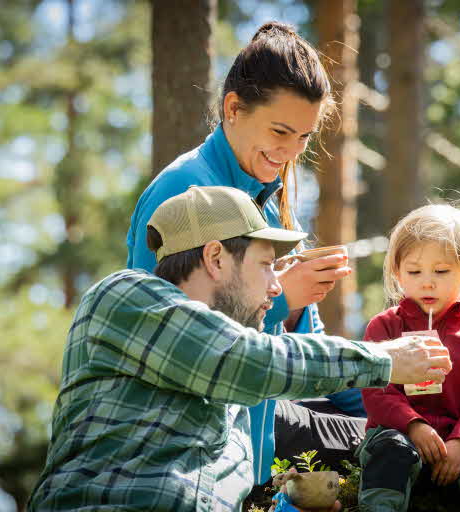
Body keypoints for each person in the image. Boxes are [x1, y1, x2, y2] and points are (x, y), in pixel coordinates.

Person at [28, 186, 452, 511]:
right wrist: (385, 358)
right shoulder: (123, 297)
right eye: (266, 265)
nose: (275, 286)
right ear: (215, 258)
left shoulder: (234, 403)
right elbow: (247, 360)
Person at [126, 21, 365, 484]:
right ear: (233, 108)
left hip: (254, 448)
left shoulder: (266, 201)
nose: (290, 151)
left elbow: (304, 353)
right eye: (280, 130)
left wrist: (386, 407)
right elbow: (170, 345)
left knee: (390, 448)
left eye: (304, 138)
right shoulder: (185, 191)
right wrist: (284, 301)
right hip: (192, 460)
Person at [357, 202, 460, 512]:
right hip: (401, 443)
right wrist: (413, 426)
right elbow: (377, 390)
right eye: (414, 271)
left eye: (441, 270)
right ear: (397, 273)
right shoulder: (385, 326)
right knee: (390, 447)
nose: (427, 281)